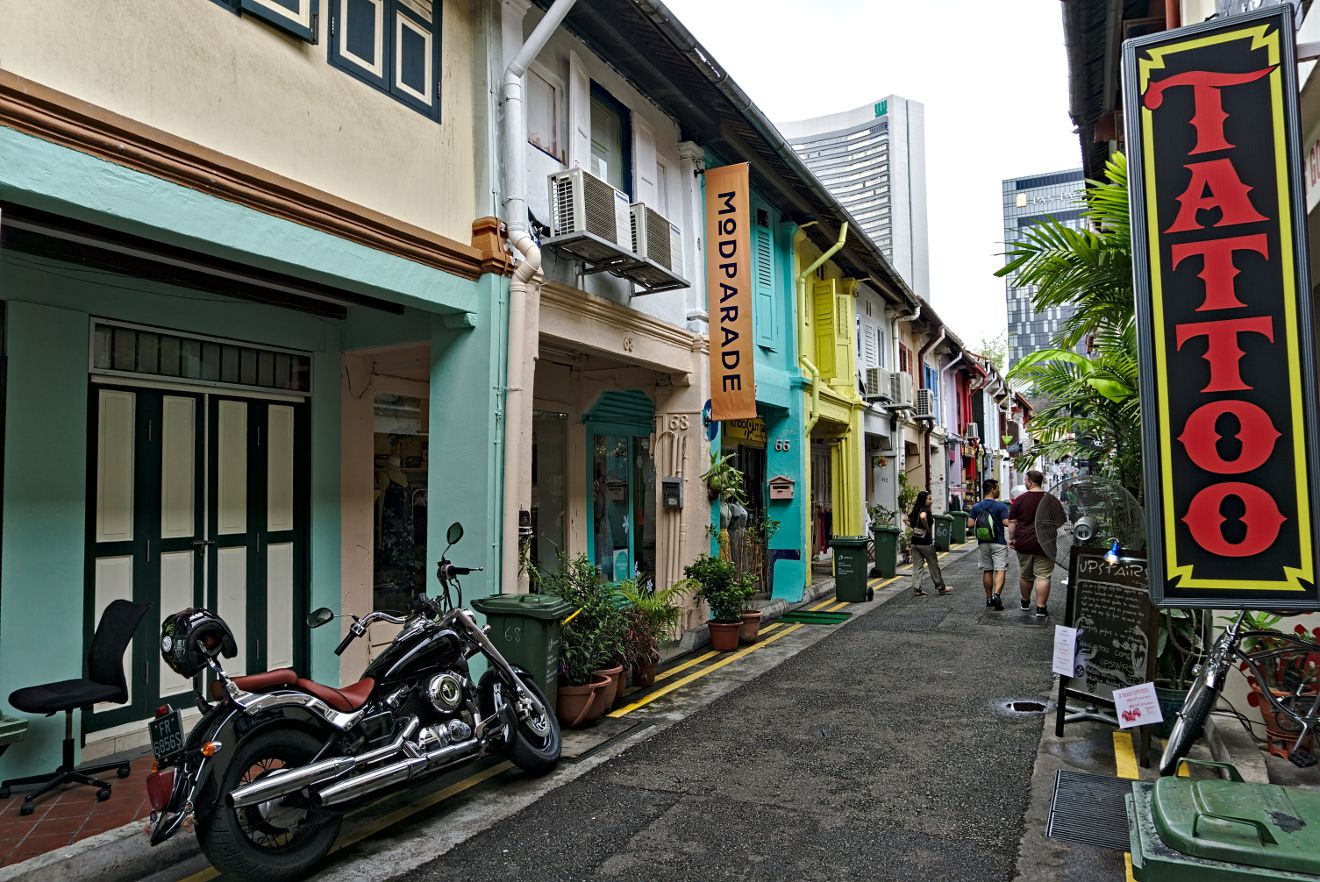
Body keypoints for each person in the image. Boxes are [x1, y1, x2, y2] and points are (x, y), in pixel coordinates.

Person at [1007, 469, 1055, 619]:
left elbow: (1012, 522)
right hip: (1045, 543)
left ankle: (1025, 603)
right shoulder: (1050, 499)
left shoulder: (1020, 499)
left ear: (1030, 482)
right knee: (1043, 576)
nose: (1025, 482)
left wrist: (1012, 539)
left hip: (1025, 542)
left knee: (1026, 575)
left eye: (1026, 480)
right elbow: (1060, 521)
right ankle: (1041, 608)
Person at [966, 478, 1010, 610]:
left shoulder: (976, 506)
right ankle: (997, 595)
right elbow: (1006, 522)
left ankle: (989, 598)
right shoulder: (1001, 506)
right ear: (992, 490)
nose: (998, 491)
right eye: (997, 488)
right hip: (999, 542)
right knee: (1000, 569)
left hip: (983, 543)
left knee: (987, 570)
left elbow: (970, 524)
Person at [908, 490, 951, 597]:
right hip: (925, 543)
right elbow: (923, 517)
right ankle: (941, 587)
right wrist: (926, 528)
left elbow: (905, 519)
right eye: (929, 499)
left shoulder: (915, 510)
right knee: (933, 565)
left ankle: (917, 589)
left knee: (917, 566)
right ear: (924, 500)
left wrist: (914, 527)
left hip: (915, 542)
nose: (931, 501)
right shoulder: (924, 509)